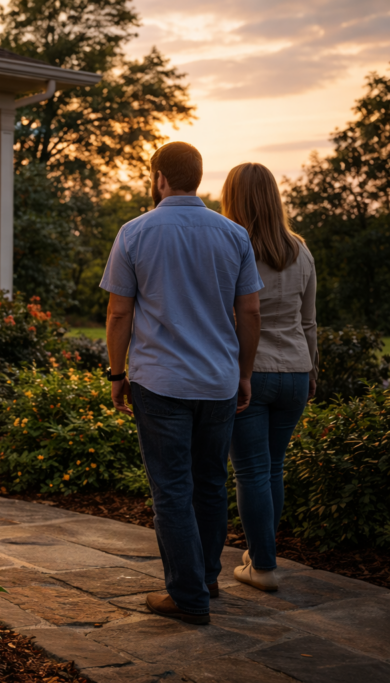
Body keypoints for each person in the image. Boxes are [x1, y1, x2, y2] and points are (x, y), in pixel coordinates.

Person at [100, 142, 263, 625]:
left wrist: (115, 373)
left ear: (158, 178)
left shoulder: (135, 233)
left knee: (171, 489)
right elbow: (251, 311)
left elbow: (118, 311)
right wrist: (245, 374)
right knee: (211, 484)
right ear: (197, 176)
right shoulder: (234, 235)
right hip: (217, 382)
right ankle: (206, 578)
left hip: (160, 383)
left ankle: (188, 596)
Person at [222, 163, 317, 592]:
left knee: (252, 472)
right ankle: (262, 552)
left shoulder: (230, 247)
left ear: (232, 198)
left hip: (250, 372)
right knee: (272, 468)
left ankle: (262, 566)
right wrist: (311, 370)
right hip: (296, 370)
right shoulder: (300, 249)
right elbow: (309, 321)